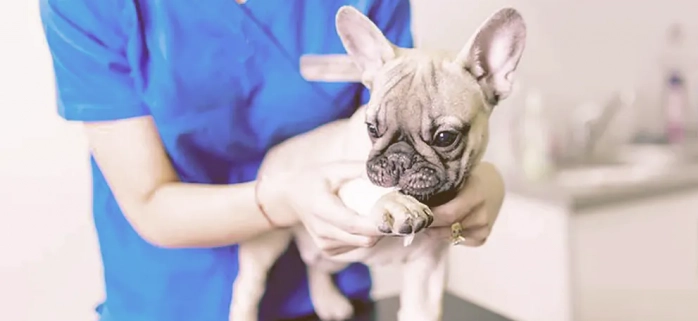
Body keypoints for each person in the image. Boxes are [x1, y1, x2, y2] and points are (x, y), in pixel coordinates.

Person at [39, 0, 507, 321]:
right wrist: (283, 199)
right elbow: (147, 202)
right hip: (167, 298)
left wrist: (480, 189)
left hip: (331, 292)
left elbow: (418, 100)